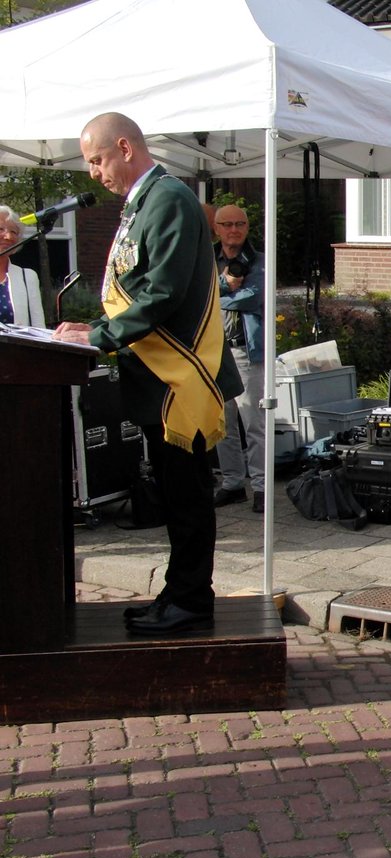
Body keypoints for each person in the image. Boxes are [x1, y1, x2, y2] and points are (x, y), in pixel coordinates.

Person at [55, 112, 241, 635]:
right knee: (174, 497)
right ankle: (179, 594)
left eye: (97, 160)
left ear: (124, 147)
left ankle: (190, 602)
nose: (93, 173)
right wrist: (90, 325)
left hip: (180, 380)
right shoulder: (142, 204)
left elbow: (162, 293)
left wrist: (97, 338)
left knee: (187, 500)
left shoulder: (169, 200)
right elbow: (133, 291)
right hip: (157, 379)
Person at [212, 204, 268, 513]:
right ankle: (233, 483)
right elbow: (197, 291)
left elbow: (254, 296)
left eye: (240, 224)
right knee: (223, 424)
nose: (234, 230)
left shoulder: (258, 261)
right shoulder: (207, 260)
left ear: (247, 228)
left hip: (246, 351)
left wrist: (213, 296)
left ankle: (260, 487)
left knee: (253, 423)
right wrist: (222, 285)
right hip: (214, 353)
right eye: (227, 224)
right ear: (217, 228)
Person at [0, 206, 44, 327]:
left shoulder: (27, 277)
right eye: (0, 229)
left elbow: (38, 327)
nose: (8, 237)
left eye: (13, 232)